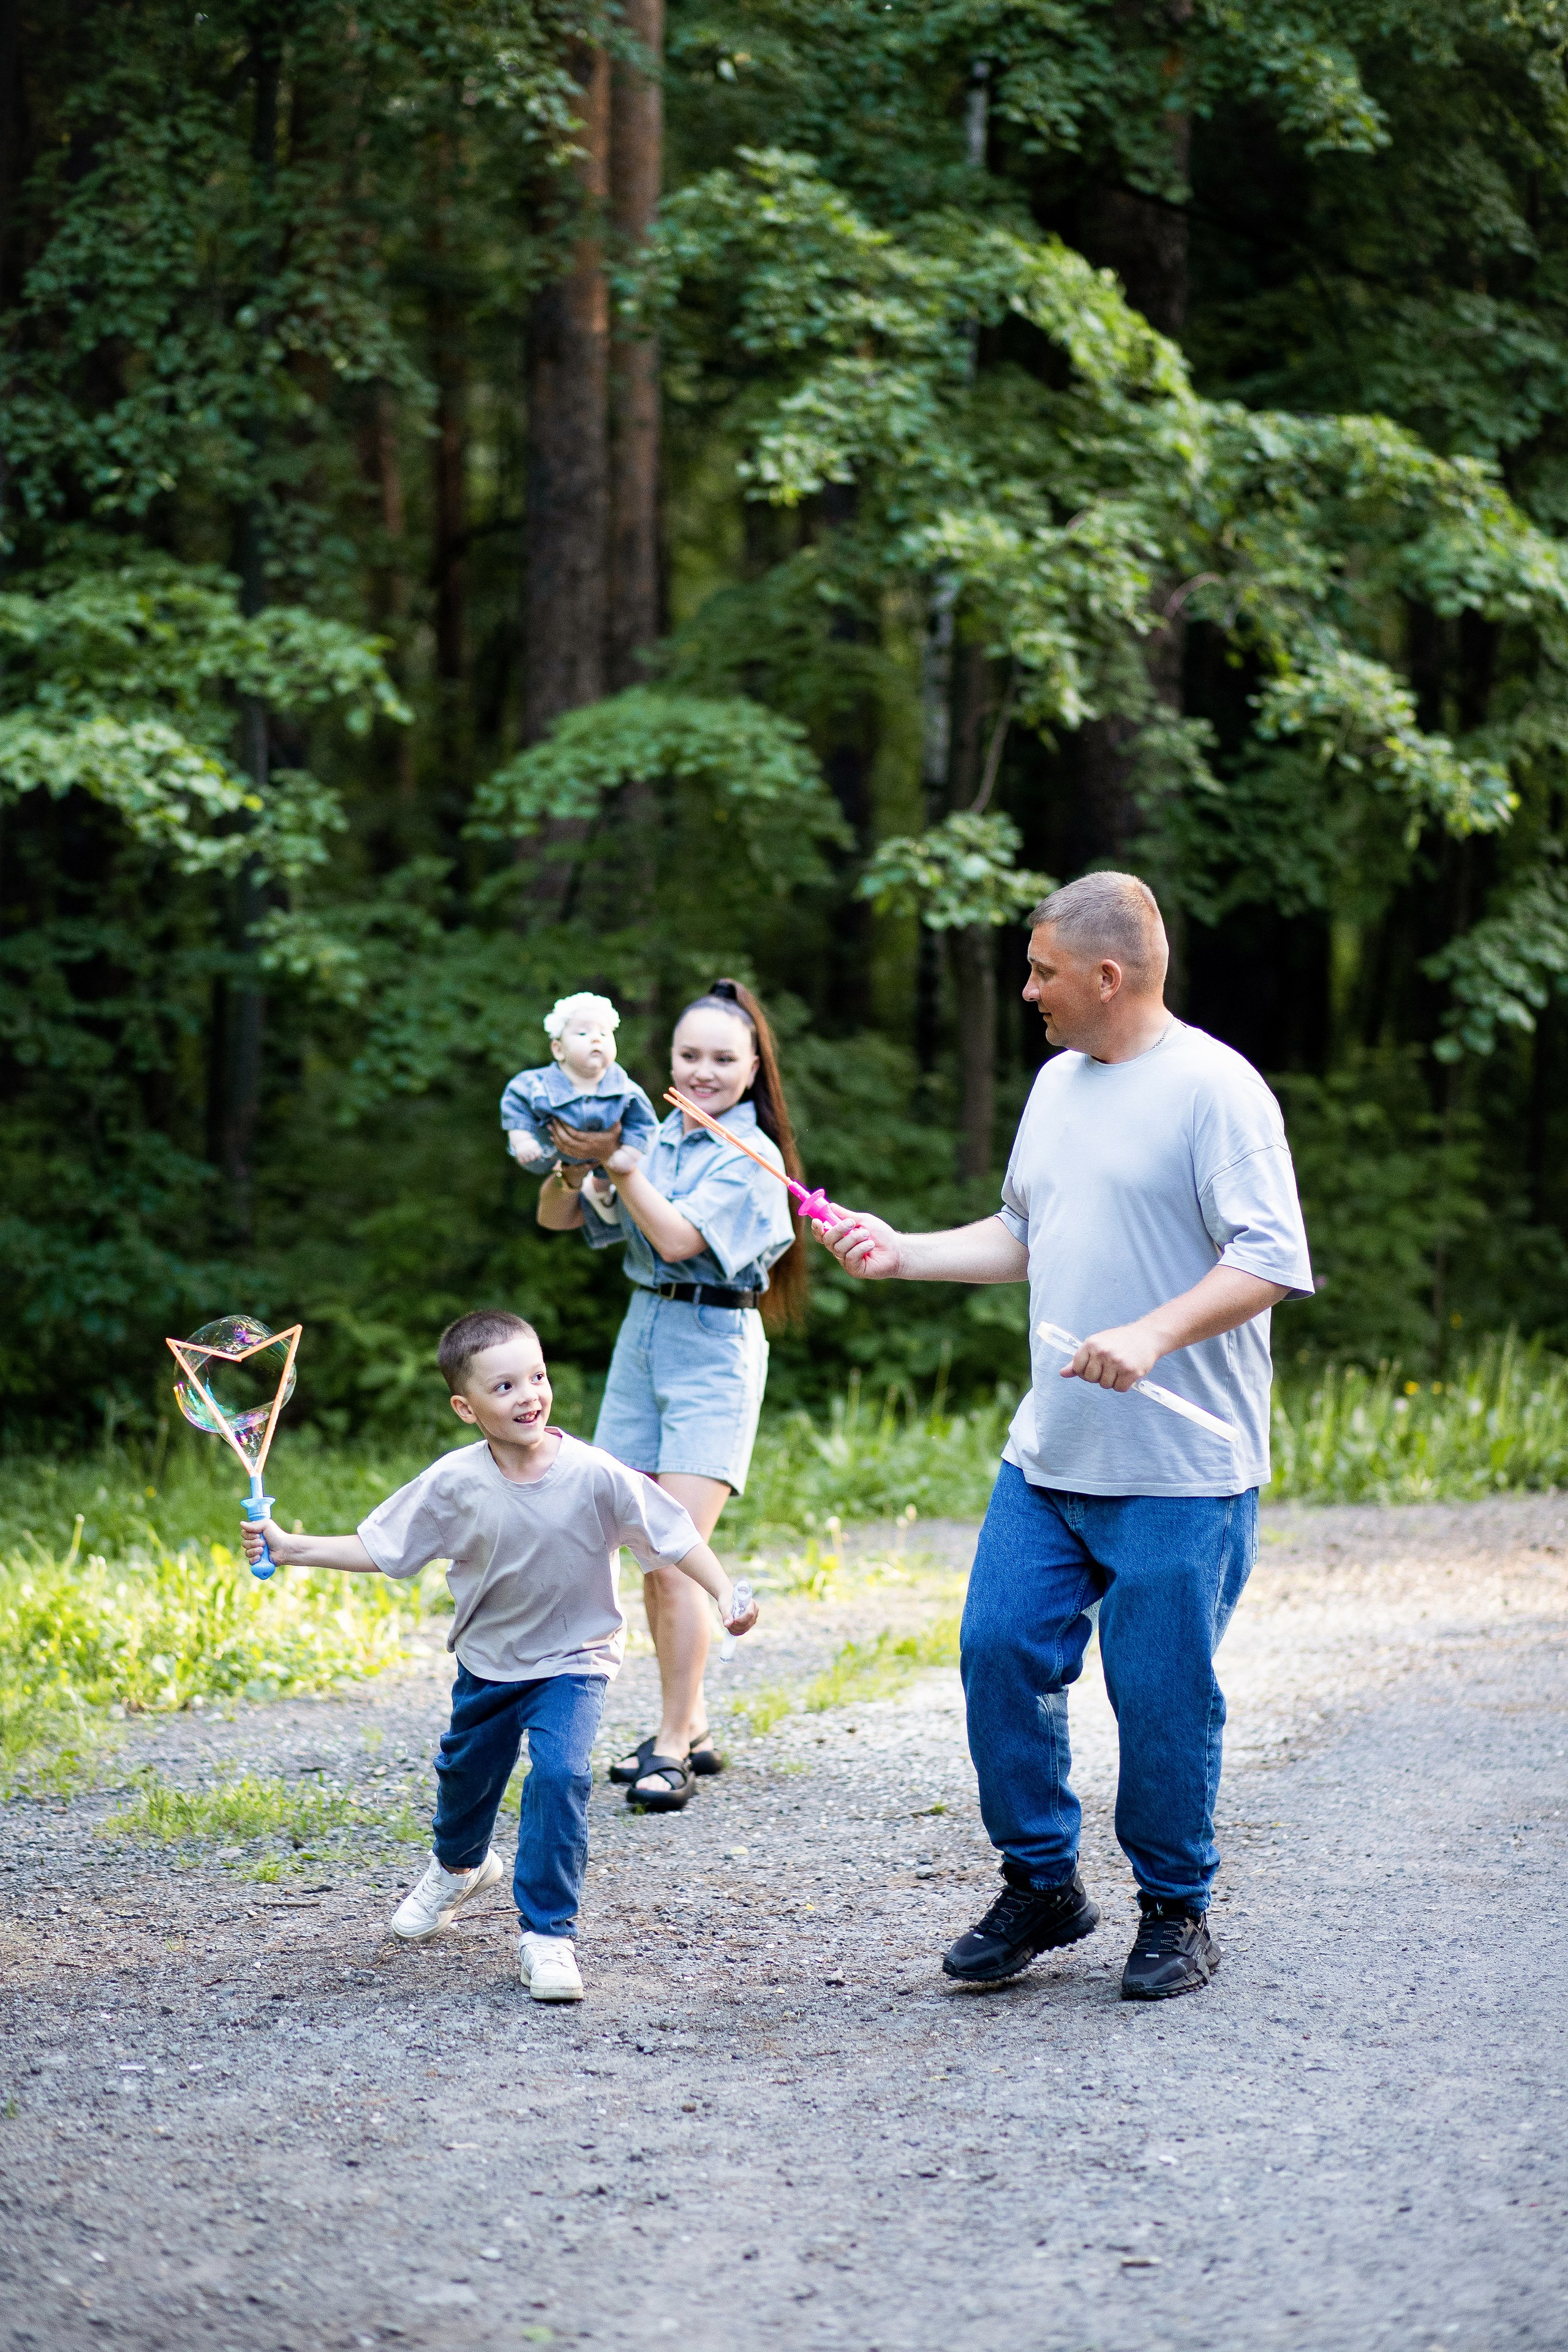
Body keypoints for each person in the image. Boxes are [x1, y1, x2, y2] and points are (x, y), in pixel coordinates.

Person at [819, 872, 1314, 2000]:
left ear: (1109, 975)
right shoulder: (1056, 1083)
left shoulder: (1216, 1091)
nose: (1027, 989)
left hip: (1182, 1472)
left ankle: (1176, 1911)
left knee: (1160, 1694)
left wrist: (1151, 1331)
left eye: (1042, 970)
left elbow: (1272, 1256)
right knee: (998, 1650)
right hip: (1051, 1454)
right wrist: (905, 1251)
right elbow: (1024, 1231)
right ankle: (1042, 1884)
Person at [237, 1309, 758, 2002]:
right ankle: (460, 1869)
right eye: (506, 1386)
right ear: (466, 1407)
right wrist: (290, 1547)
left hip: (574, 1661)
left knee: (560, 1777)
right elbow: (384, 1549)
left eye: (537, 1377)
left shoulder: (594, 1473)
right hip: (488, 1663)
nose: (530, 1396)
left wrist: (724, 1593)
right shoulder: (453, 1482)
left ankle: (548, 1936)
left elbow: (673, 1534)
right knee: (464, 1779)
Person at [536, 977, 802, 1814]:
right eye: (690, 1055)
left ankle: (674, 1744)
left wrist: (623, 1162)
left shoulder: (753, 1158)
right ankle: (693, 1722)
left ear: (754, 1068)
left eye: (724, 1059)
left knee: (674, 1547)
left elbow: (682, 1237)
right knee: (644, 1547)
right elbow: (559, 1221)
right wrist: (572, 1161)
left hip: (715, 1348)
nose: (703, 1071)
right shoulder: (654, 1134)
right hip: (642, 1338)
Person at [500, 992, 659, 1176]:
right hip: (547, 1155)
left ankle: (602, 1185)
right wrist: (523, 1140)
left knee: (607, 1181)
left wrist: (628, 1154)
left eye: (604, 1033)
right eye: (583, 1033)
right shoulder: (535, 1085)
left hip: (607, 1162)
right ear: (558, 1050)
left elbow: (644, 1125)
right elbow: (516, 1105)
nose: (596, 1039)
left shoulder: (627, 1092)